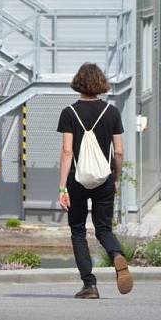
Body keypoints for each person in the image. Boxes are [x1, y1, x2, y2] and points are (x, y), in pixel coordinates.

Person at [57, 62, 133, 299]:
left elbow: (67, 151)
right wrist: (116, 178)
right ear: (100, 83)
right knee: (103, 228)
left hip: (76, 181)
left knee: (78, 231)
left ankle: (89, 285)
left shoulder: (69, 112)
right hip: (105, 179)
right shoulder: (112, 112)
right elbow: (119, 151)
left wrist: (62, 188)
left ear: (78, 84)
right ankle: (116, 254)